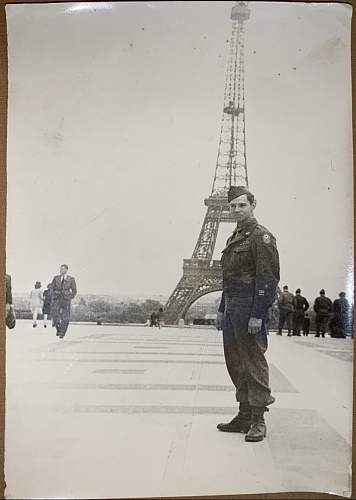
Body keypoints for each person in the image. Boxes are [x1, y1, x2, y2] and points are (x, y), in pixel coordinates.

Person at [215, 185, 280, 442]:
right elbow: (228, 278)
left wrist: (257, 314)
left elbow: (268, 279)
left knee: (253, 362)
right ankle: (244, 414)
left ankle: (258, 419)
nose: (237, 209)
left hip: (249, 308)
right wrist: (222, 309)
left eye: (242, 205)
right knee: (235, 362)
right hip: (232, 307)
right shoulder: (234, 238)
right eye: (233, 206)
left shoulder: (261, 237)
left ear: (253, 205)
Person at [51, 264, 77, 338]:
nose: (61, 270)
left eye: (62, 269)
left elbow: (74, 291)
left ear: (66, 270)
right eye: (60, 269)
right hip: (57, 299)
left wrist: (69, 297)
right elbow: (52, 288)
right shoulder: (56, 278)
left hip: (66, 300)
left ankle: (62, 333)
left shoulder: (71, 279)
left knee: (65, 318)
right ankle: (58, 329)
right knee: (55, 316)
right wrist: (53, 296)